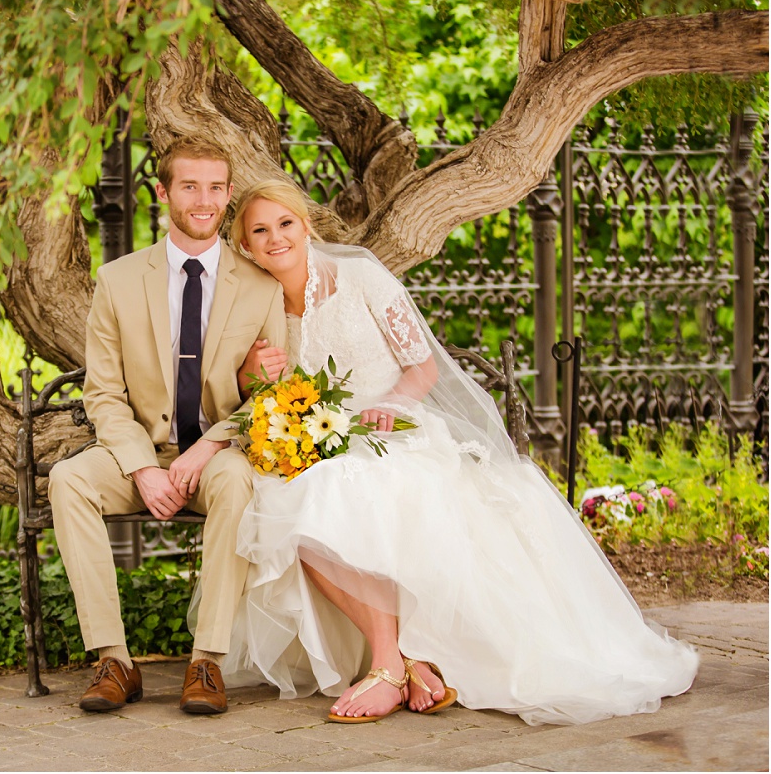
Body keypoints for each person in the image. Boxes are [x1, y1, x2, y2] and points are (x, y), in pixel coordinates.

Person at [213, 179, 698, 726]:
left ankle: (389, 665)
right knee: (286, 503)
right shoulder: (256, 302)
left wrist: (390, 406)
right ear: (245, 245)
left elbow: (423, 369)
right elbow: (254, 387)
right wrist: (257, 372)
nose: (276, 237)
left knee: (331, 493)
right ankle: (399, 662)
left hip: (397, 427)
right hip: (326, 440)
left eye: (285, 223)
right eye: (260, 230)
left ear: (307, 226)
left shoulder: (362, 275)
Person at [49, 140, 287, 715]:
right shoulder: (119, 280)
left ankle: (206, 663)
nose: (203, 200)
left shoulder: (261, 285)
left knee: (237, 483)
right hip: (139, 451)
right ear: (163, 193)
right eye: (189, 186)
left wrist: (207, 448)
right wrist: (140, 469)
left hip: (218, 452)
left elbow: (275, 398)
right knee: (67, 480)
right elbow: (103, 393)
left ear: (229, 195)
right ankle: (114, 660)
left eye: (214, 187)